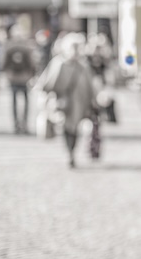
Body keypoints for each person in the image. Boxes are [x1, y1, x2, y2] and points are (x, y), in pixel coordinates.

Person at [37, 32, 97, 168]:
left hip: (80, 104)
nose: (75, 51)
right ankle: (70, 152)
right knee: (66, 128)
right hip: (63, 103)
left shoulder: (83, 66)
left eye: (78, 47)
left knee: (75, 129)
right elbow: (48, 83)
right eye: (73, 47)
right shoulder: (59, 63)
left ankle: (72, 151)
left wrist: (94, 101)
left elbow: (90, 86)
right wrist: (46, 97)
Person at [1, 25, 38, 134]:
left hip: (12, 76)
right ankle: (25, 124)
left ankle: (16, 124)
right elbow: (32, 62)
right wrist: (33, 75)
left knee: (14, 102)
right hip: (25, 77)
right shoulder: (27, 45)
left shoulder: (8, 45)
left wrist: (5, 74)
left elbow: (3, 62)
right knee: (26, 101)